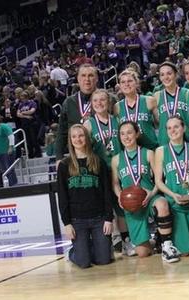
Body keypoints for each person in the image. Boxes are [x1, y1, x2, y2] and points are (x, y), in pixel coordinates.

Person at [111, 121, 180, 263]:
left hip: (149, 197)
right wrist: (120, 197)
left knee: (162, 203)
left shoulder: (148, 153)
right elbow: (115, 184)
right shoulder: (116, 159)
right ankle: (155, 242)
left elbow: (158, 179)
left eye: (129, 132)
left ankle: (167, 245)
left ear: (137, 134)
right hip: (131, 204)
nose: (126, 137)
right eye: (122, 134)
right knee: (143, 253)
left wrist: (152, 193)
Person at [82, 89, 134, 256]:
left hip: (119, 169)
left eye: (102, 100)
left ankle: (126, 241)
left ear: (108, 102)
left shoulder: (118, 121)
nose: (99, 103)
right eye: (95, 101)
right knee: (104, 207)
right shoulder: (88, 124)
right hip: (100, 171)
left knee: (121, 206)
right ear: (91, 104)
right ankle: (109, 240)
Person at [57, 124, 114, 269]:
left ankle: (99, 247)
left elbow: (107, 192)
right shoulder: (64, 165)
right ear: (70, 140)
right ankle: (74, 251)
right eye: (74, 136)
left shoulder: (98, 161)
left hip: (99, 218)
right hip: (77, 220)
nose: (78, 139)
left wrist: (108, 218)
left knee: (104, 260)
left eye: (81, 135)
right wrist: (67, 224)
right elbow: (62, 197)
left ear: (87, 138)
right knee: (83, 263)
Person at [154, 116, 189, 256]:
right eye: (169, 128)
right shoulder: (161, 151)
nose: (172, 130)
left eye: (176, 127)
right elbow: (158, 181)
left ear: (183, 128)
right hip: (176, 203)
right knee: (184, 253)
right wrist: (173, 195)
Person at [56, 64, 98, 166]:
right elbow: (62, 132)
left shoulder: (107, 99)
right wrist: (59, 157)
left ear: (96, 79)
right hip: (77, 158)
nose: (87, 79)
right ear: (78, 79)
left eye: (91, 75)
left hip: (101, 154)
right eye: (83, 76)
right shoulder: (69, 102)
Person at [113, 69, 159, 150]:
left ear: (136, 83)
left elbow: (160, 124)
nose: (126, 84)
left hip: (151, 148)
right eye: (123, 82)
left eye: (130, 81)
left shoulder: (149, 100)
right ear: (120, 86)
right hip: (130, 151)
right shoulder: (117, 107)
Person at [153, 62, 189, 145]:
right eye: (162, 75)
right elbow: (157, 121)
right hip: (165, 141)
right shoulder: (156, 96)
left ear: (176, 74)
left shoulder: (187, 93)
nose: (166, 77)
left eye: (169, 73)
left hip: (187, 140)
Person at [0, 113, 18, 187]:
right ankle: (10, 184)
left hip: (7, 151)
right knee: (4, 170)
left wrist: (11, 147)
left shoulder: (4, 126)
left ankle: (14, 185)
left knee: (9, 169)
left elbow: (11, 136)